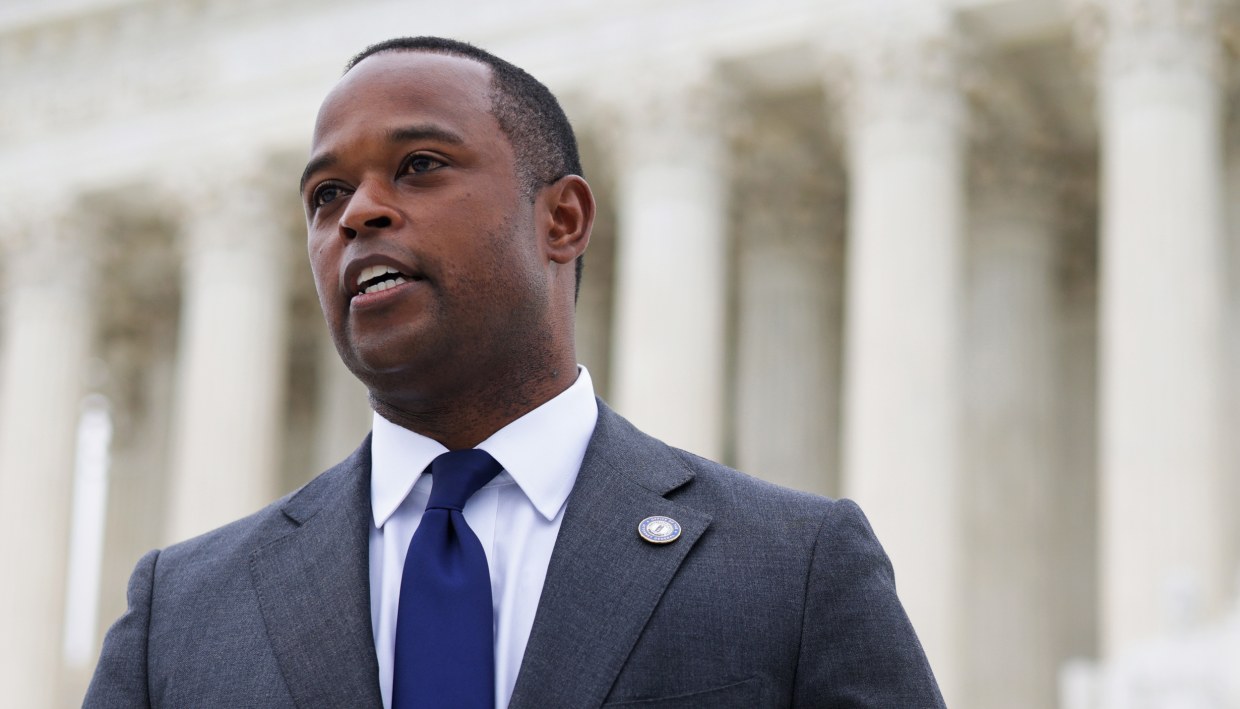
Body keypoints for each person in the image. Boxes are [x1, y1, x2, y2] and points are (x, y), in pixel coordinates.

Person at [84, 37, 944, 708]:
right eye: (325, 195)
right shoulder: (184, 614)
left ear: (562, 219)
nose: (359, 214)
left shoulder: (792, 568)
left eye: (418, 166)